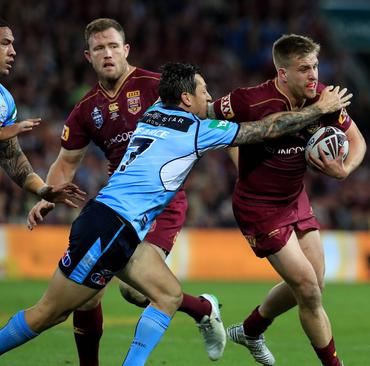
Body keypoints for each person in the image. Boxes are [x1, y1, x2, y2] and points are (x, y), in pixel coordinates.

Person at [0, 62, 352, 365]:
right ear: (186, 99)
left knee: (166, 295)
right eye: (203, 91)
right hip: (108, 226)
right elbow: (264, 129)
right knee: (49, 313)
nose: (209, 99)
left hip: (122, 229)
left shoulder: (153, 112)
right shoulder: (196, 131)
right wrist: (317, 109)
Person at [23, 18, 227, 364]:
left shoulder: (156, 87)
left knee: (134, 291)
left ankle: (202, 308)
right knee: (87, 297)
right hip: (119, 205)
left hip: (162, 203)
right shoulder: (86, 108)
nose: (108, 54)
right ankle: (203, 309)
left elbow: (209, 114)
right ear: (88, 56)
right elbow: (65, 162)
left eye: (114, 46)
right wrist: (47, 194)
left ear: (126, 49)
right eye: (99, 48)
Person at [207, 33, 366, 366]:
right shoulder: (249, 101)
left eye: (316, 67)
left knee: (315, 285)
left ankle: (249, 330)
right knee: (307, 288)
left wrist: (344, 170)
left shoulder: (322, 99)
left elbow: (357, 140)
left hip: (295, 200)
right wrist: (237, 156)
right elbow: (208, 117)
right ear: (282, 73)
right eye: (304, 69)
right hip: (258, 208)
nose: (314, 76)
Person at [0, 19, 84, 216]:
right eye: (5, 43)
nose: (13, 51)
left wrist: (44, 190)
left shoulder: (5, 101)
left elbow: (12, 157)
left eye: (12, 44)